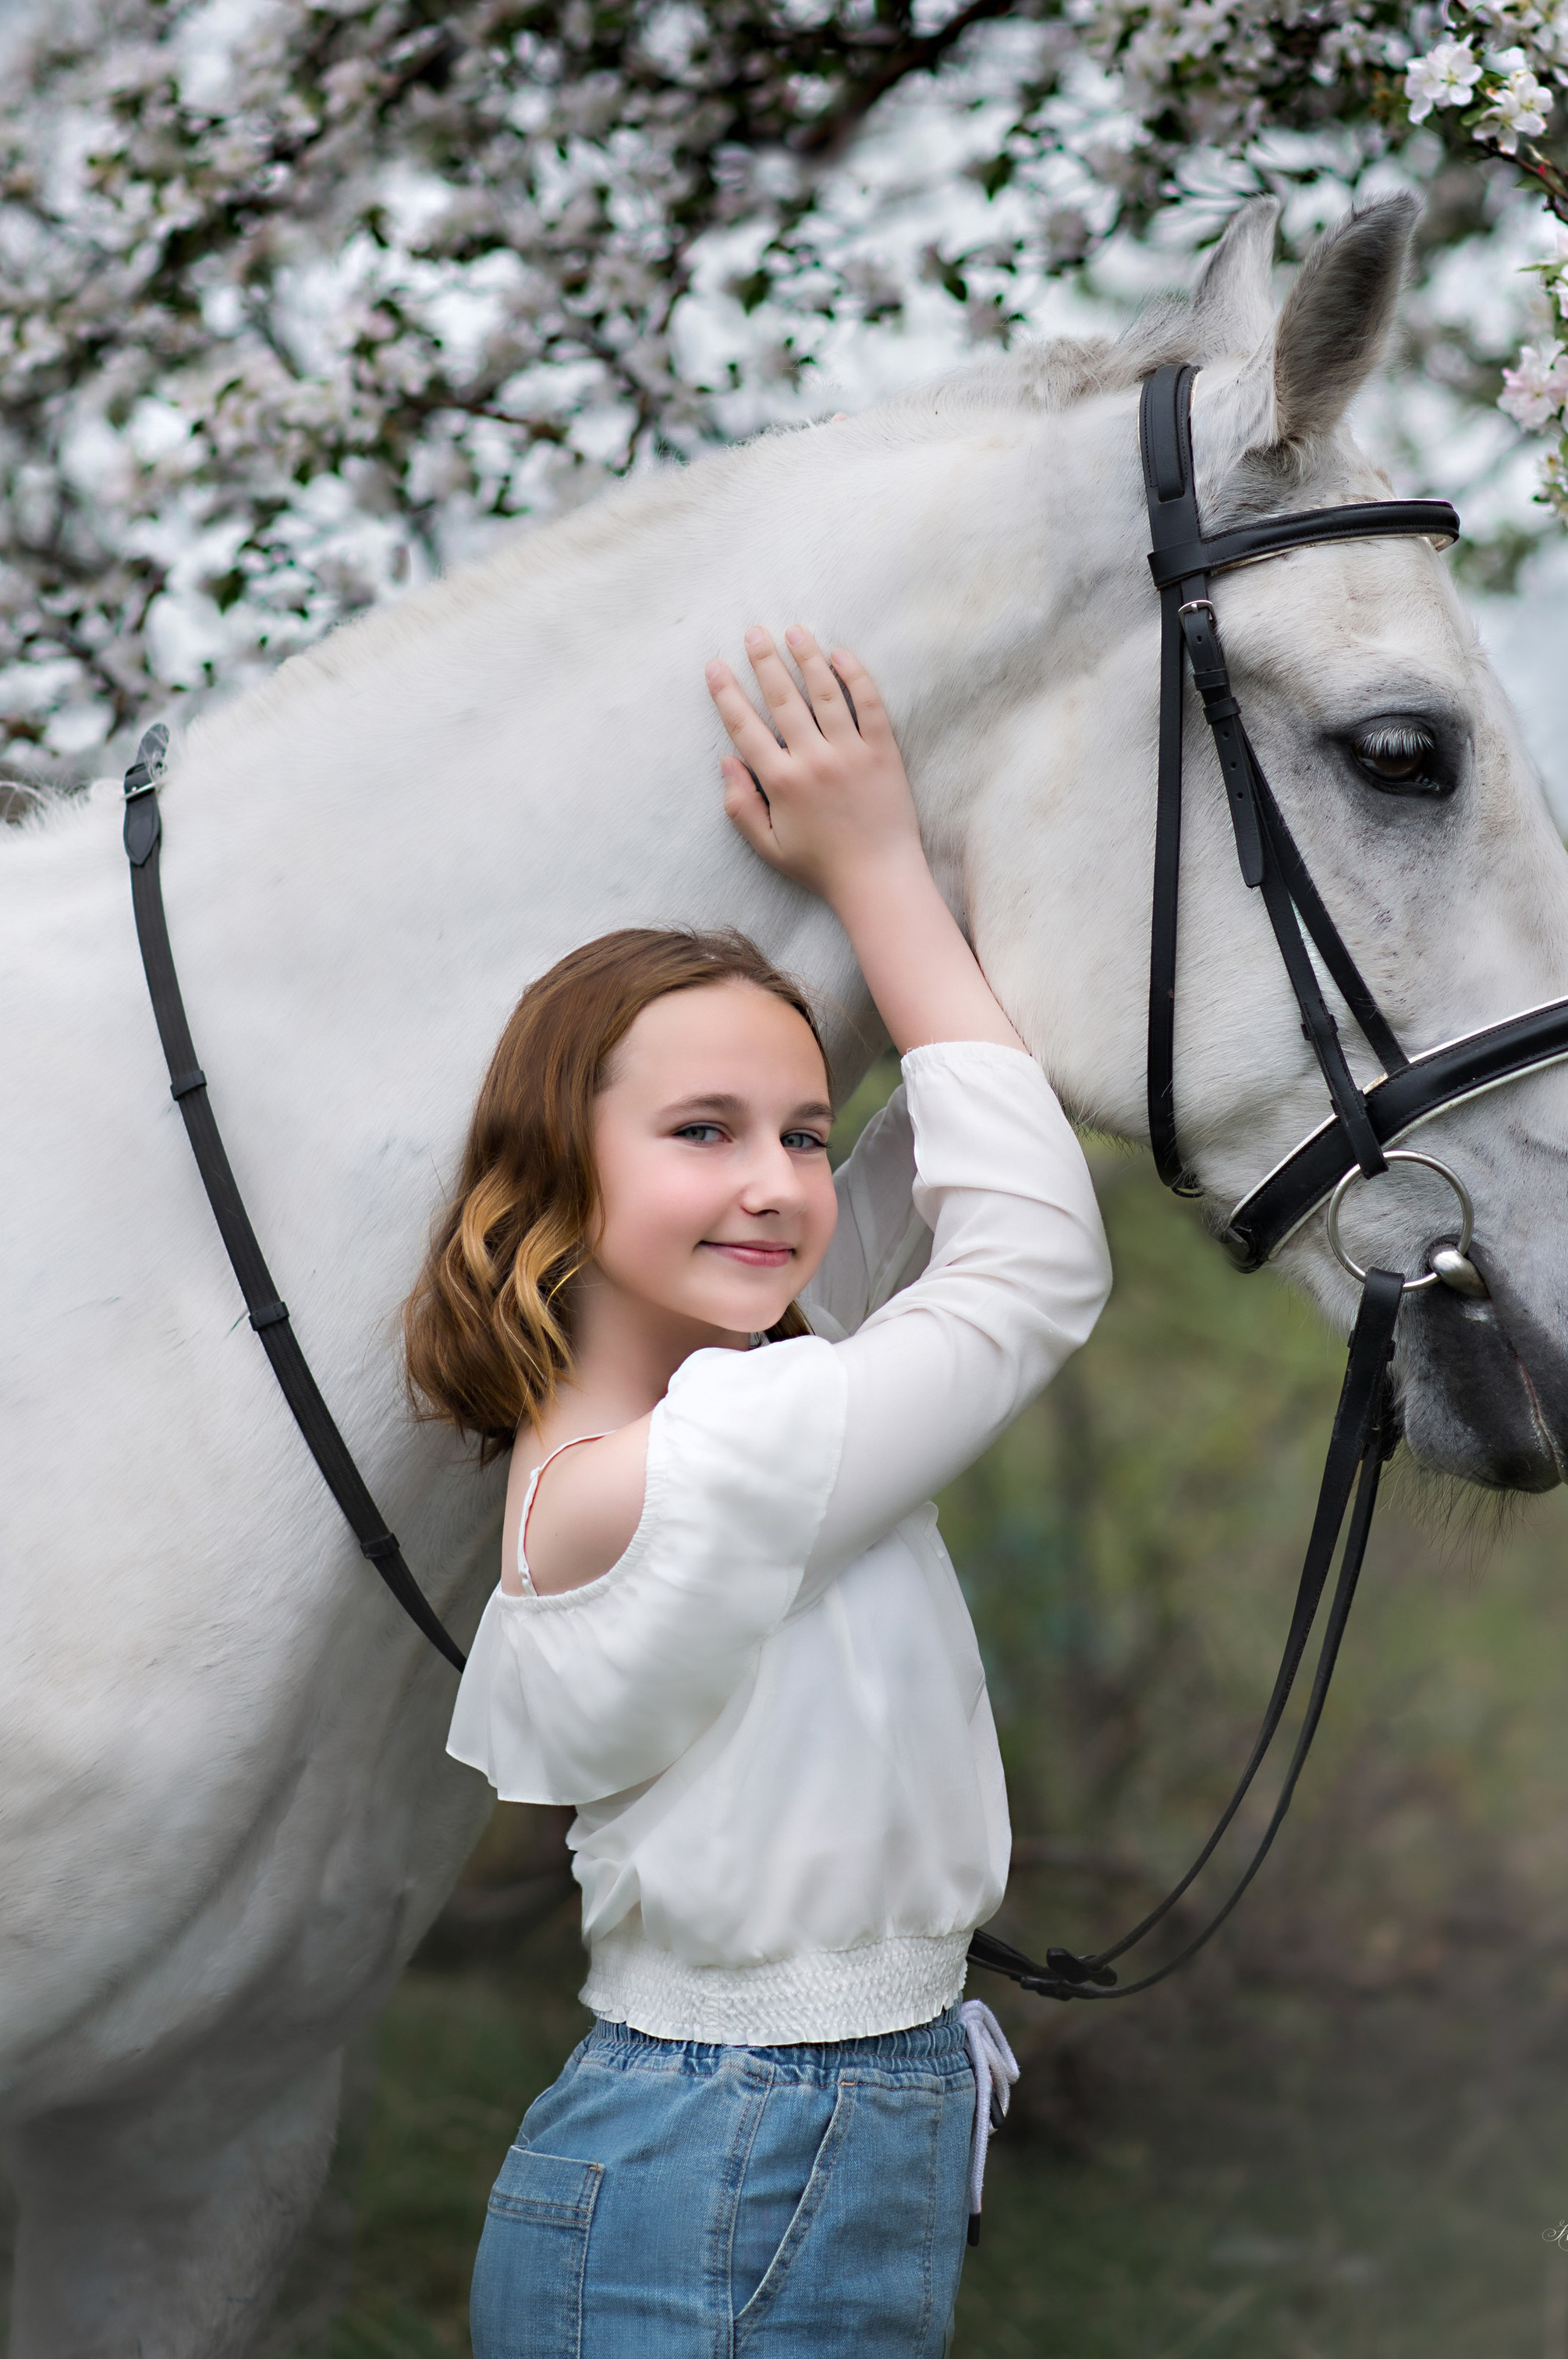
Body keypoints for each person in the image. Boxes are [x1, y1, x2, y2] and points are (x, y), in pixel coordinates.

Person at [406, 621, 1112, 2357]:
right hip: (729, 2157)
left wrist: (943, 862)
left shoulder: (728, 1406)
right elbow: (1021, 1257)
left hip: (780, 2134)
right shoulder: (695, 1464)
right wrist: (872, 863)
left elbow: (956, 1139)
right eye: (702, 1129)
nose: (779, 1179)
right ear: (560, 1169)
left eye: (800, 1129)